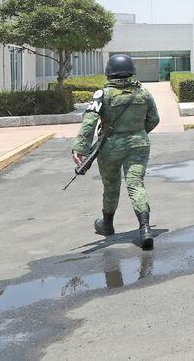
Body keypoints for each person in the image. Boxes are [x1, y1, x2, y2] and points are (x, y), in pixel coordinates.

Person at [72, 54, 160, 249]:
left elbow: (90, 121)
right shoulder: (144, 93)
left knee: (111, 185)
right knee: (136, 184)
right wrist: (138, 133)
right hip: (139, 144)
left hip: (110, 146)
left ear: (109, 73)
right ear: (132, 71)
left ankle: (107, 225)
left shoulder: (101, 94)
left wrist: (81, 148)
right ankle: (145, 228)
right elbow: (154, 119)